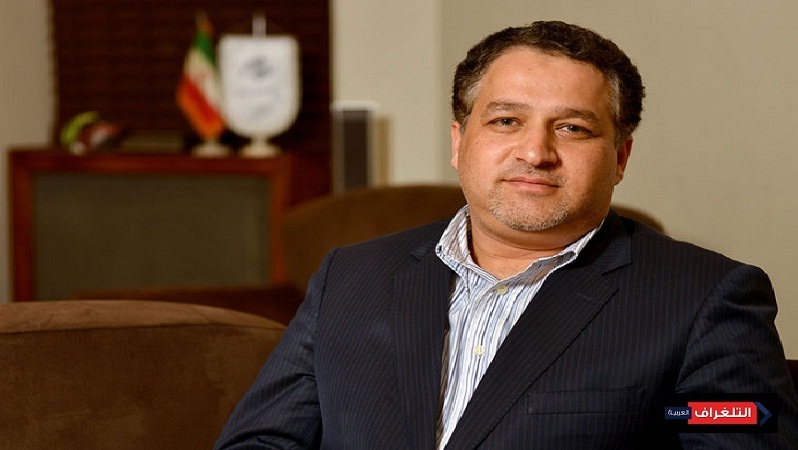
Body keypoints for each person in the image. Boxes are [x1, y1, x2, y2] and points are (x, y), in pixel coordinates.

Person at [214, 21, 798, 449]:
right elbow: (262, 442)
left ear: (620, 157)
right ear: (459, 142)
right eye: (506, 121)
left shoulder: (706, 298)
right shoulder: (351, 277)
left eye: (572, 128)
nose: (535, 152)